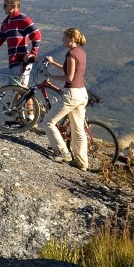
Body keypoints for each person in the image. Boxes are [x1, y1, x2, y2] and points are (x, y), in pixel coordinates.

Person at [44, 28, 89, 170]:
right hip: (82, 93)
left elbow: (69, 77)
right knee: (78, 129)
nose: (62, 41)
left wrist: (50, 77)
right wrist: (53, 63)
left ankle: (64, 152)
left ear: (71, 39)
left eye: (64, 38)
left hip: (71, 94)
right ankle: (82, 163)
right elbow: (70, 70)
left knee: (48, 122)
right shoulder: (81, 52)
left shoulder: (70, 53)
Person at [0, 0, 42, 88]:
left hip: (22, 62)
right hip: (12, 62)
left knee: (21, 92)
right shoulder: (6, 23)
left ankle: (33, 103)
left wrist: (33, 53)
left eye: (5, 5)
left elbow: (36, 34)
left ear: (14, 6)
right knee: (18, 93)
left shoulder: (23, 19)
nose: (3, 7)